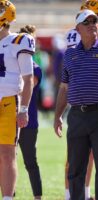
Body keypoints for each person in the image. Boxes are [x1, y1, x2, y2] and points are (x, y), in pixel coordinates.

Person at [54, 9, 98, 200]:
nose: (93, 25)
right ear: (78, 28)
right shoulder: (70, 54)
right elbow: (63, 88)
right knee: (75, 167)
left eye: (95, 21)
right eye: (87, 22)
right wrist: (57, 116)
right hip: (77, 115)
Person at [64, 1, 98, 199]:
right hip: (81, 102)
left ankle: (86, 193)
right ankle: (72, 195)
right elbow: (75, 69)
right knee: (76, 158)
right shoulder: (75, 37)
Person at [0, 1, 35, 200]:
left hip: (9, 101)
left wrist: (24, 108)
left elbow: (28, 78)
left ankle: (7, 198)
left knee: (7, 153)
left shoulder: (19, 41)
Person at [18, 25, 42, 200]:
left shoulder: (35, 68)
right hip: (8, 116)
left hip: (28, 120)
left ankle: (37, 197)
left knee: (30, 161)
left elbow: (26, 87)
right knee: (5, 159)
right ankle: (9, 194)